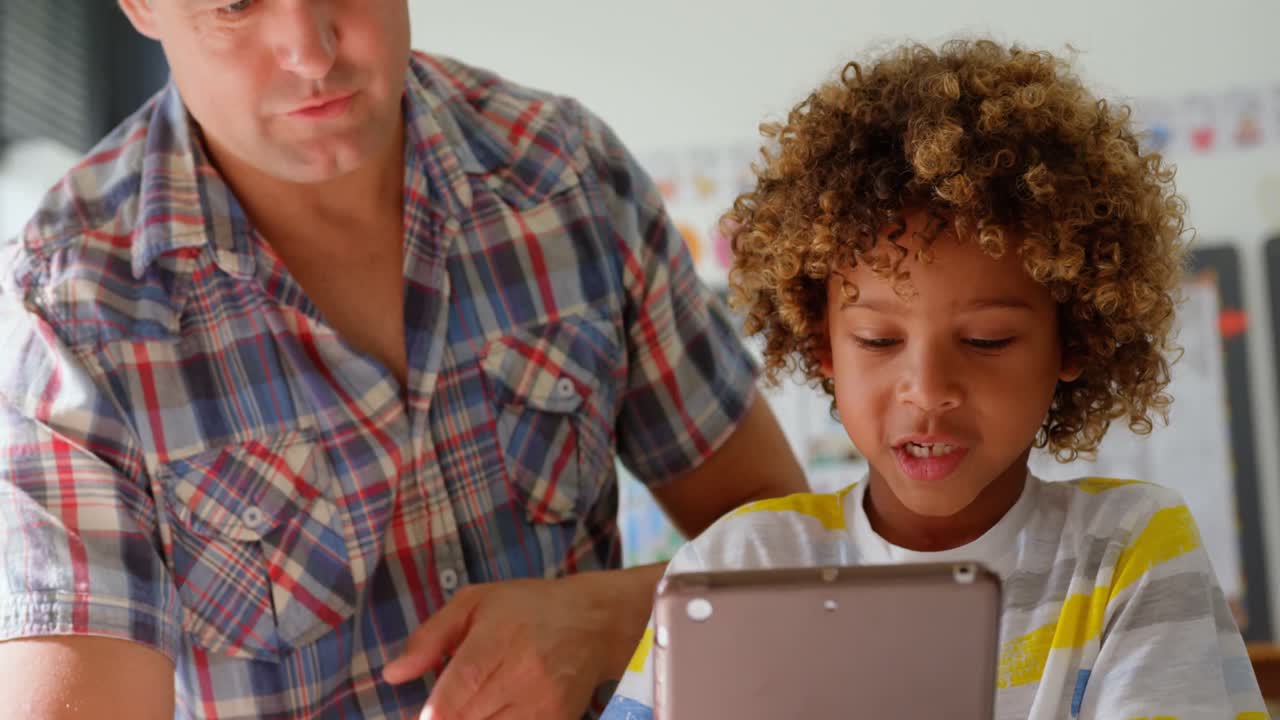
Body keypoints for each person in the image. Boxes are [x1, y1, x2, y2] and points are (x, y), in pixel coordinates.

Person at [0, 2, 809, 719]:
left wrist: (602, 622)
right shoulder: (72, 310)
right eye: (237, 5)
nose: (310, 49)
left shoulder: (569, 178)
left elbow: (795, 560)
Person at [604, 39, 1269, 719]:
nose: (927, 389)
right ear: (822, 344)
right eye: (878, 340)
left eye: (987, 340)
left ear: (1072, 340)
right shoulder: (740, 565)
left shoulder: (1128, 552)